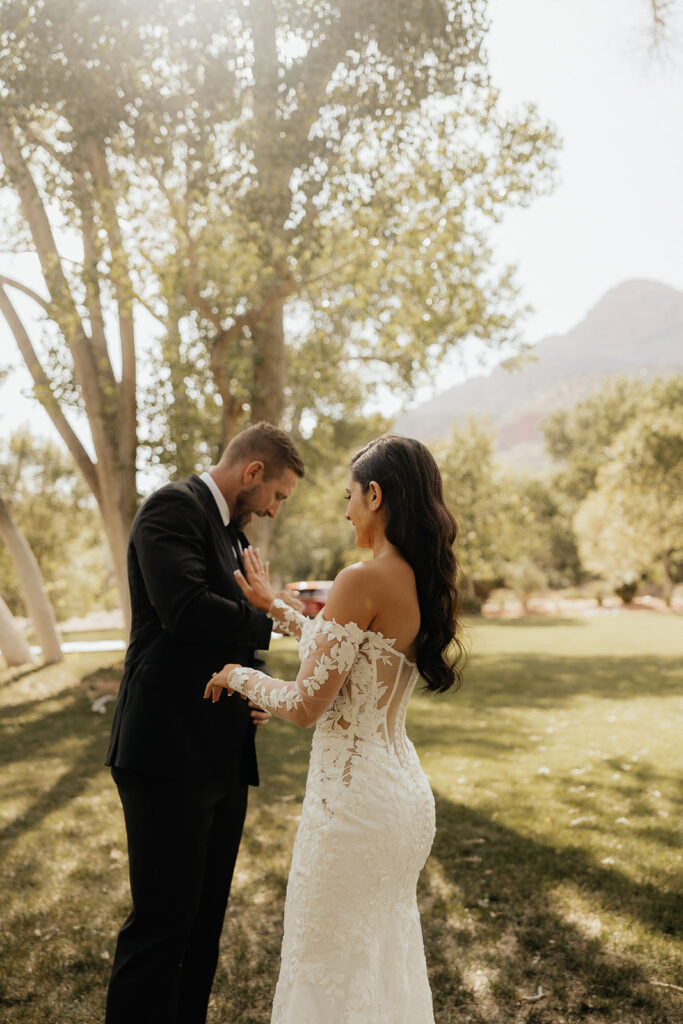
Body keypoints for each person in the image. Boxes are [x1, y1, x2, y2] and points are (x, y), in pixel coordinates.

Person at [205, 434, 464, 1024]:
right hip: (401, 800)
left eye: (349, 497)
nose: (346, 512)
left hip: (351, 809)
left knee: (326, 962)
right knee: (377, 960)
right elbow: (351, 653)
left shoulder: (360, 577)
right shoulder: (419, 578)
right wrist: (276, 607)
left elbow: (304, 704)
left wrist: (237, 673)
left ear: (375, 495)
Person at [105, 422, 305, 1024]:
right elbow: (186, 611)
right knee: (162, 928)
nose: (273, 510)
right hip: (165, 752)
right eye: (277, 495)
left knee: (202, 927)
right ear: (252, 474)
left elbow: (222, 637)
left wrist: (254, 685)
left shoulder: (232, 533)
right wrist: (270, 621)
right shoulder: (173, 508)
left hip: (221, 755)